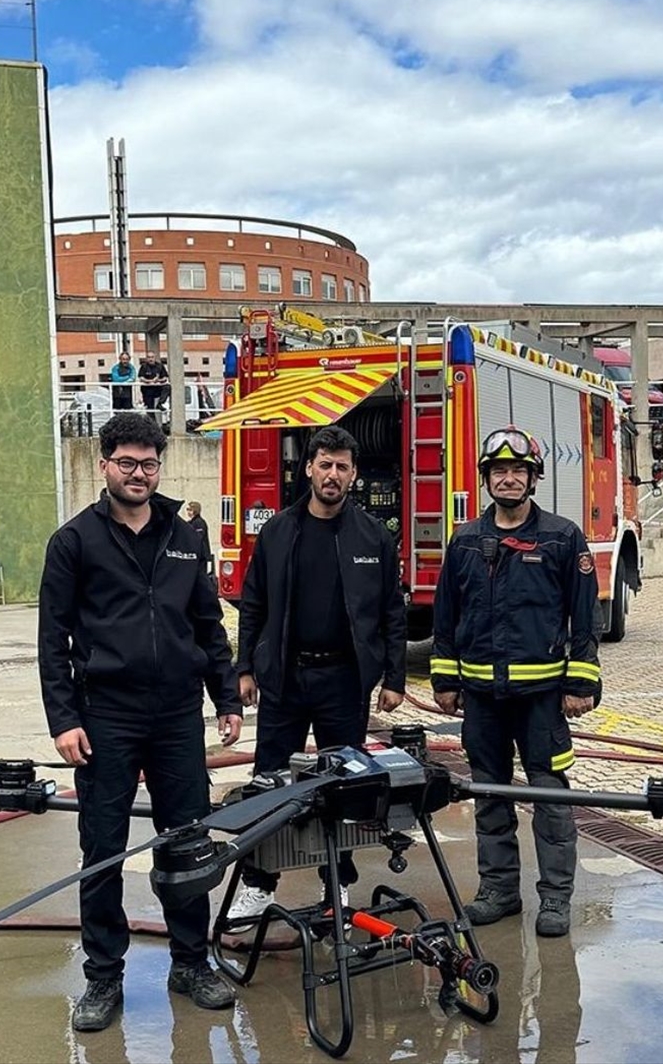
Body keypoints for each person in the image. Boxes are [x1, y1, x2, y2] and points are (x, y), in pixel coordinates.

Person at [37, 412, 242, 1033]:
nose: (139, 474)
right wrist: (64, 719)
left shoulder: (184, 535)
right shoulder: (74, 541)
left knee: (187, 842)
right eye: (126, 462)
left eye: (149, 464)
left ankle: (190, 961)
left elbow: (207, 625)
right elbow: (54, 640)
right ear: (104, 465)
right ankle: (103, 978)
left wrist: (226, 698)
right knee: (103, 847)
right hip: (107, 717)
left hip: (177, 713)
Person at [229, 424, 407, 924]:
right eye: (324, 464)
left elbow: (392, 612)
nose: (333, 474)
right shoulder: (279, 531)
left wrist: (393, 678)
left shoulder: (372, 536)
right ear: (309, 468)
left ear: (354, 474)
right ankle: (258, 884)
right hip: (285, 679)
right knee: (269, 785)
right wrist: (245, 667)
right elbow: (253, 603)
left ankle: (338, 885)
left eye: (342, 467)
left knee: (343, 788)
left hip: (344, 682)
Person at [430, 425, 602, 939]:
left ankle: (554, 899)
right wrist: (446, 677)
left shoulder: (561, 537)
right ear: (486, 479)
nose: (508, 479)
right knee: (489, 794)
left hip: (542, 700)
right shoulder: (464, 540)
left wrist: (581, 681)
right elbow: (445, 615)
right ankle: (499, 891)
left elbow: (584, 615)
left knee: (551, 796)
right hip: (481, 697)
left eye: (518, 471)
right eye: (499, 471)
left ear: (533, 479)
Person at [183, 501, 213, 577]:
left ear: (195, 511)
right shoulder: (190, 523)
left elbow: (198, 538)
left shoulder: (199, 523)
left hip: (201, 557)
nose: (188, 512)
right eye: (188, 509)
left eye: (190, 510)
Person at [137, 351, 169, 418]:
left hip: (157, 388)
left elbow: (165, 377)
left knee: (167, 387)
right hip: (147, 389)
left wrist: (158, 380)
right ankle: (153, 425)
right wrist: (150, 381)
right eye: (149, 357)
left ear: (155, 358)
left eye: (152, 357)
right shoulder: (144, 366)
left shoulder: (160, 366)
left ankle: (160, 403)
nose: (150, 359)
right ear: (146, 358)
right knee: (150, 409)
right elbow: (141, 378)